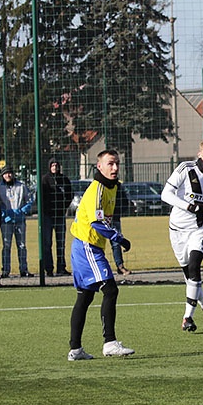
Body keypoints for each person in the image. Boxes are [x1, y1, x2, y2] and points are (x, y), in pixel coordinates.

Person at [68, 149, 135, 360]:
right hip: (87, 246)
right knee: (110, 290)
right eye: (110, 164)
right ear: (99, 166)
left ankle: (75, 349)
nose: (114, 168)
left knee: (85, 297)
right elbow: (97, 222)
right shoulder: (97, 189)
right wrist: (119, 238)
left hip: (86, 246)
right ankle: (110, 343)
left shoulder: (111, 187)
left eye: (116, 163)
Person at [161, 140, 203, 332]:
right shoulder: (185, 168)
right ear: (200, 154)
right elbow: (166, 194)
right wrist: (187, 205)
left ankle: (187, 317)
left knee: (195, 267)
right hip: (177, 229)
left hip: (200, 229)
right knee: (190, 277)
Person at [0, 165, 32, 278]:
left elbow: (29, 200)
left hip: (20, 220)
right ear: (2, 175)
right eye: (6, 173)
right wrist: (3, 213)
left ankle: (23, 269)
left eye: (10, 173)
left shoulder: (21, 186)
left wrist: (23, 210)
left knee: (21, 245)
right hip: (6, 222)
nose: (8, 175)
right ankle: (5, 270)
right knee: (6, 245)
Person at [40, 157, 72, 276]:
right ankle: (48, 268)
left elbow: (70, 195)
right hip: (47, 216)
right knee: (47, 243)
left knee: (61, 242)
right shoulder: (44, 180)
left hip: (60, 216)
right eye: (52, 165)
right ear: (49, 167)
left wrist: (64, 207)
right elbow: (40, 197)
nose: (55, 168)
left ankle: (61, 267)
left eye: (56, 165)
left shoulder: (64, 179)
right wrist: (46, 209)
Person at [109, 184, 130, 276]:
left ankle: (120, 266)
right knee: (96, 244)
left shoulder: (117, 186)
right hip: (99, 220)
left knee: (116, 243)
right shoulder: (98, 185)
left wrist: (117, 211)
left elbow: (124, 201)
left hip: (114, 218)